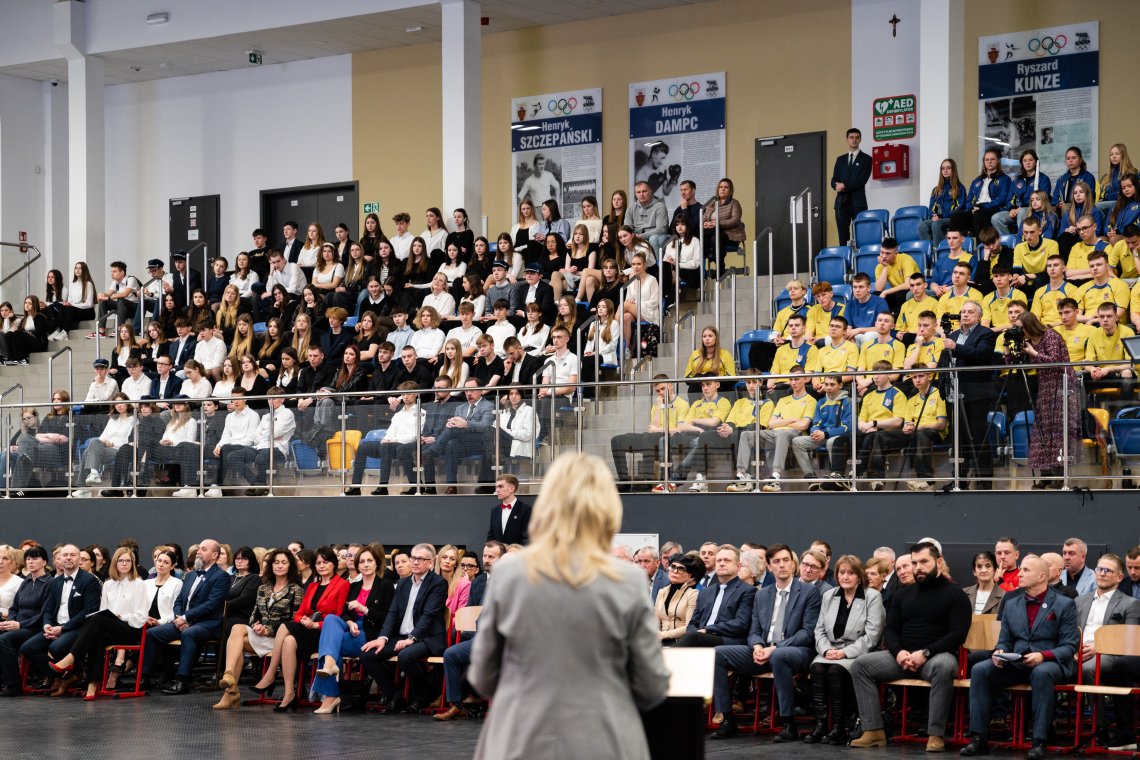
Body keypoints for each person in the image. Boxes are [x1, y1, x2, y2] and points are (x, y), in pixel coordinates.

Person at [468, 453, 667, 758]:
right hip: (604, 740)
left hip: (519, 739)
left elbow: (483, 675)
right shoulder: (628, 580)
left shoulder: (508, 574)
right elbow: (651, 684)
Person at [849, 542, 971, 752]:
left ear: (939, 561)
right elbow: (890, 629)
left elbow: (957, 634)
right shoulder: (903, 594)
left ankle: (935, 735)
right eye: (914, 563)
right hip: (902, 657)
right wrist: (898, 652)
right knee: (860, 665)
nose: (918, 567)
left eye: (924, 562)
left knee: (943, 667)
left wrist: (926, 653)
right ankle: (873, 730)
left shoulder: (956, 595)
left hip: (936, 657)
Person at [961, 556, 1080, 760]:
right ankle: (978, 738)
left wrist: (1043, 655)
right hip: (1017, 663)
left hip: (1051, 662)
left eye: (1025, 570)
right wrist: (1000, 652)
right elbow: (1004, 640)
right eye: (1021, 569)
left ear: (1041, 576)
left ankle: (1039, 741)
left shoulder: (1064, 604)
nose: (1020, 574)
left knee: (1042, 673)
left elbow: (1069, 646)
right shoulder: (1011, 604)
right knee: (980, 669)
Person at [710, 543, 821, 741]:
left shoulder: (808, 592)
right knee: (717, 653)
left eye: (786, 560)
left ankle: (788, 724)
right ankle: (727, 719)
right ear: (769, 567)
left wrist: (775, 648)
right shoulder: (762, 594)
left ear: (793, 564)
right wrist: (757, 646)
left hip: (797, 651)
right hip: (764, 650)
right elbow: (753, 631)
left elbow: (807, 633)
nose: (782, 565)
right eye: (776, 561)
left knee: (779, 655)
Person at [46, 547, 148, 700]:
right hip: (108, 628)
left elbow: (141, 616)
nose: (124, 563)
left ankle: (71, 659)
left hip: (130, 629)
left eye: (128, 561)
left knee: (96, 621)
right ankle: (92, 684)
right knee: (96, 633)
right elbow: (102, 610)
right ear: (115, 563)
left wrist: (122, 617)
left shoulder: (139, 584)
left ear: (133, 563)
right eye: (121, 560)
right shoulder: (108, 584)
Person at [806, 555, 885, 744]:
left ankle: (839, 727)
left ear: (859, 576)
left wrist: (844, 653)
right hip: (830, 650)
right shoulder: (829, 595)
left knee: (835, 670)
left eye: (851, 573)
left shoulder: (872, 597)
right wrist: (826, 651)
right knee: (817, 668)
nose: (845, 577)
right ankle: (821, 724)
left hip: (856, 651)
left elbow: (873, 636)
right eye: (842, 572)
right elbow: (819, 630)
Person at [361, 542, 448, 713]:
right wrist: (382, 638)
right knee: (367, 655)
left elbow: (429, 615)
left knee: (405, 656)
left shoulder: (438, 583)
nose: (415, 562)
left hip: (427, 637)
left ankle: (423, 697)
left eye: (420, 559)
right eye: (413, 558)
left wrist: (412, 638)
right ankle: (394, 695)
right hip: (402, 636)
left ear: (431, 562)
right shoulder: (403, 583)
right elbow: (392, 613)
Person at [213, 548, 304, 708]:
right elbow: (254, 614)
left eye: (284, 562)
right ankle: (229, 676)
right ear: (271, 565)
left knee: (237, 643)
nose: (279, 566)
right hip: (261, 635)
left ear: (290, 566)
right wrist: (255, 625)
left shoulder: (296, 590)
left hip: (280, 639)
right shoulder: (263, 588)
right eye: (276, 562)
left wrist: (268, 629)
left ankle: (230, 692)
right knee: (237, 629)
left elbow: (292, 621)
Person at [310, 545, 396, 714]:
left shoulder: (385, 586)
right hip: (352, 628)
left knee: (329, 646)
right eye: (362, 561)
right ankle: (329, 665)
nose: (366, 564)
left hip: (371, 632)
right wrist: (350, 623)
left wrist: (364, 609)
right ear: (357, 565)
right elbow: (344, 613)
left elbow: (388, 618)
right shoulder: (354, 587)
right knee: (331, 619)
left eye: (369, 560)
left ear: (377, 564)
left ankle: (330, 695)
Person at [139, 539, 230, 694]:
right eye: (199, 548)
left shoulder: (221, 576)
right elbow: (179, 600)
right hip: (183, 621)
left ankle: (183, 680)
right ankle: (144, 678)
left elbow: (211, 605)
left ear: (215, 555)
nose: (198, 552)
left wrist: (185, 618)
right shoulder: (191, 575)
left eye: (203, 549)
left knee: (189, 633)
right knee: (151, 634)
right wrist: (179, 617)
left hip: (208, 623)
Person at [1073, 553, 1140, 750]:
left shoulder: (1130, 604)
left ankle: (1099, 728)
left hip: (1108, 654)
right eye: (1099, 569)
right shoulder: (1080, 601)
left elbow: (1129, 640)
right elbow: (1069, 631)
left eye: (1108, 571)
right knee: (1046, 668)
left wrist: (1099, 648)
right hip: (1077, 653)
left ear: (1119, 577)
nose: (1102, 574)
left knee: (1088, 669)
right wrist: (1073, 649)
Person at [1009, 311, 1083, 488]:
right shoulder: (1027, 341)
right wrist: (1008, 349)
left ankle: (1060, 477)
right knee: (1042, 432)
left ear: (1029, 325)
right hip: (1045, 388)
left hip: (1062, 386)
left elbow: (1054, 361)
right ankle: (1046, 475)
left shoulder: (1050, 336)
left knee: (1058, 433)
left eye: (1020, 328)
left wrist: (1033, 353)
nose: (1019, 332)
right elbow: (1015, 364)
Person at [18, 544, 100, 694]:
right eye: (65, 555)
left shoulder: (89, 580)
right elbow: (48, 609)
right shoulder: (55, 582)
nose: (68, 558)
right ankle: (66, 676)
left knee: (55, 647)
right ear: (60, 559)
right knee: (27, 648)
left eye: (72, 555)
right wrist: (47, 625)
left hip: (77, 627)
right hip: (55, 627)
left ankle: (68, 674)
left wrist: (63, 628)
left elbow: (89, 611)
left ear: (79, 559)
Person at [943, 300, 998, 488]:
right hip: (955, 393)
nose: (965, 315)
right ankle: (959, 479)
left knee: (978, 436)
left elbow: (981, 355)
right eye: (963, 311)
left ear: (979, 317)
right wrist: (944, 387)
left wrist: (956, 348)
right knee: (958, 439)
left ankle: (984, 481)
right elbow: (944, 362)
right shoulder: (953, 335)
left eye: (970, 312)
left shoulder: (986, 334)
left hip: (977, 392)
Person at [610, 375, 689, 491]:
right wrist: (659, 408)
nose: (661, 393)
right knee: (617, 440)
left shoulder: (682, 404)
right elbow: (653, 427)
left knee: (649, 437)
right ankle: (624, 481)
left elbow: (679, 429)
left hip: (671, 437)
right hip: (652, 437)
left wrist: (656, 430)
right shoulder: (656, 405)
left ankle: (647, 480)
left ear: (671, 386)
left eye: (663, 389)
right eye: (658, 391)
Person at [675, 545, 755, 649]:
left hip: (728, 639)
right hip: (700, 637)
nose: (722, 563)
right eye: (719, 561)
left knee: (692, 638)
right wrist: (696, 632)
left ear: (738, 566)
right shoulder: (705, 592)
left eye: (727, 560)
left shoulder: (747, 590)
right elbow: (693, 623)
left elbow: (740, 624)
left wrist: (708, 630)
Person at [0, 546, 52, 695]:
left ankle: (13, 684)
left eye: (35, 559)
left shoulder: (49, 583)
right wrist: (9, 622)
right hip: (20, 626)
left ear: (44, 562)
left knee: (3, 640)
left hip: (35, 627)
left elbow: (44, 613)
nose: (30, 562)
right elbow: (14, 608)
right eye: (28, 559)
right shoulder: (26, 582)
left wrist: (19, 624)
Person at [831, 128, 872, 246]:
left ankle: (860, 256)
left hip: (858, 202)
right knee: (843, 236)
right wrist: (836, 185)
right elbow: (834, 179)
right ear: (847, 139)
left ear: (860, 140)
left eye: (857, 138)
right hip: (841, 203)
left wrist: (844, 185)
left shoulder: (866, 159)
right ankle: (845, 257)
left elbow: (862, 180)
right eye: (851, 137)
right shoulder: (840, 160)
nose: (854, 140)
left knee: (860, 235)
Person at [656, 552, 702, 645]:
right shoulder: (662, 592)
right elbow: (654, 621)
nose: (675, 571)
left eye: (681, 569)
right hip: (659, 641)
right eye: (673, 567)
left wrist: (663, 634)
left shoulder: (693, 594)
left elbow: (690, 627)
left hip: (680, 642)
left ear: (690, 575)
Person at [921, 158, 967, 242]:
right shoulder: (936, 189)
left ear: (953, 170)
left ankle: (938, 249)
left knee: (936, 224)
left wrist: (941, 216)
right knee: (922, 225)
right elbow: (931, 207)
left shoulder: (959, 188)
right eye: (943, 168)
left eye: (948, 168)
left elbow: (959, 208)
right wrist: (933, 216)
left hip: (951, 219)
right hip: (938, 218)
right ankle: (928, 249)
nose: (945, 170)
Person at [487, 474, 531, 544]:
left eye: (500, 486)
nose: (497, 490)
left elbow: (527, 538)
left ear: (512, 489)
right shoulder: (494, 511)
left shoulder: (526, 510)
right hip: (498, 551)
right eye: (496, 487)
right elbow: (490, 537)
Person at [964, 551, 1005, 615]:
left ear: (994, 570)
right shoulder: (964, 594)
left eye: (988, 566)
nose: (983, 570)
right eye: (979, 567)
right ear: (974, 572)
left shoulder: (1004, 596)